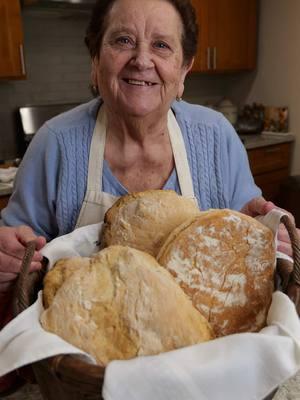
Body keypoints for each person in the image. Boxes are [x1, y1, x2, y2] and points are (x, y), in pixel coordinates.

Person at [0, 0, 297, 326]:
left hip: (202, 345)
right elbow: (17, 248)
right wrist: (8, 257)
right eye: (123, 40)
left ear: (184, 69)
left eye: (161, 45)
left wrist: (269, 235)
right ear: (96, 60)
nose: (142, 60)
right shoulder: (55, 143)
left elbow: (248, 236)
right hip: (85, 347)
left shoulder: (215, 137)